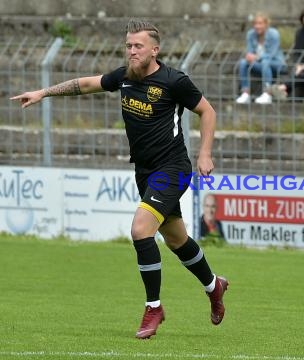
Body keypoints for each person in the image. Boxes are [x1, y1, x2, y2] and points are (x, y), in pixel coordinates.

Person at [11, 19, 229, 340]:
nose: (131, 51)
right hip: (145, 171)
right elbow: (84, 84)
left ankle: (154, 307)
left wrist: (205, 154)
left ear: (155, 49)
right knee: (176, 239)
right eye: (128, 45)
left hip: (173, 168)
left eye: (138, 46)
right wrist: (43, 92)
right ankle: (214, 286)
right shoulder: (124, 77)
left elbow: (207, 112)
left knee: (140, 230)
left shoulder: (174, 81)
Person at [235, 12, 287, 105]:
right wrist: (249, 56)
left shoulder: (274, 34)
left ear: (266, 24)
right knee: (243, 62)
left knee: (265, 61)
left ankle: (267, 93)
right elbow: (250, 50)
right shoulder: (250, 34)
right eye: (255, 24)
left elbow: (271, 54)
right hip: (260, 63)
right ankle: (245, 93)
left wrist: (256, 57)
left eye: (260, 23)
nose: (257, 26)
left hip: (276, 63)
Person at [271, 6, 304, 100]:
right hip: (302, 63)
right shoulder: (300, 33)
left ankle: (283, 88)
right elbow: (297, 52)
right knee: (295, 69)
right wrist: (299, 64)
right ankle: (284, 91)